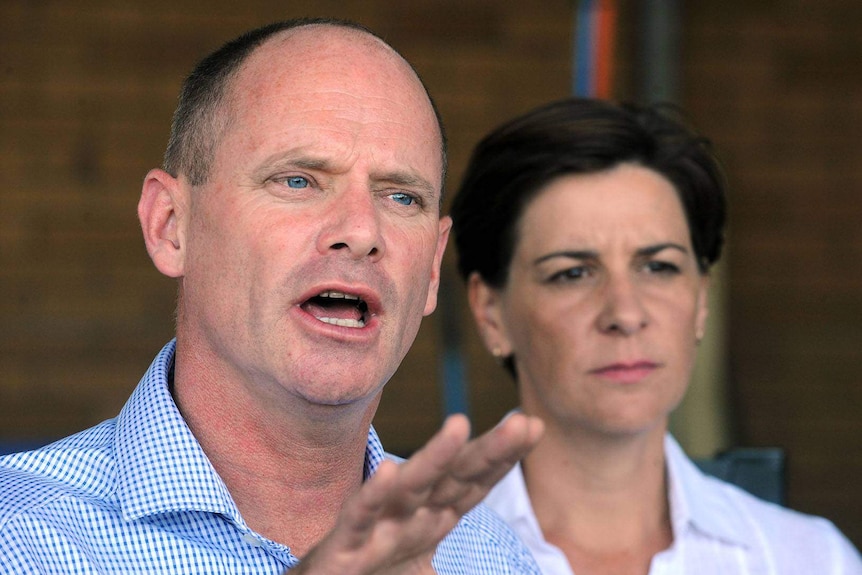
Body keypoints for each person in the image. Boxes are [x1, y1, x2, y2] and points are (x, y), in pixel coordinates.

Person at [0, 18, 545, 574]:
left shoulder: (486, 553)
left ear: (432, 267)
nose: (362, 230)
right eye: (298, 181)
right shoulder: (20, 538)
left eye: (401, 197)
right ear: (171, 226)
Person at [450, 97, 862, 574]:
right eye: (572, 273)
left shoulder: (810, 560)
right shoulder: (419, 557)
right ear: (490, 311)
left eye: (659, 266)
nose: (626, 313)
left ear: (701, 300)